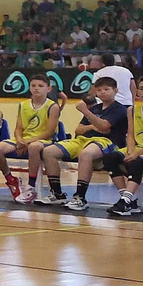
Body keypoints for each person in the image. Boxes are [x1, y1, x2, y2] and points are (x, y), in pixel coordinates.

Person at [41, 76, 127, 211]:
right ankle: (57, 194)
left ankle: (80, 197)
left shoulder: (120, 109)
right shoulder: (95, 108)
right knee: (49, 151)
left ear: (116, 90)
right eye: (99, 90)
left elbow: (104, 126)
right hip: (83, 140)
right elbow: (79, 130)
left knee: (86, 154)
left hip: (108, 141)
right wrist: (92, 127)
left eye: (106, 89)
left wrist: (86, 111)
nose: (103, 92)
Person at [107, 74, 143, 216]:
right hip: (137, 147)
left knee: (136, 163)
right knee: (110, 158)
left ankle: (124, 202)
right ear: (137, 92)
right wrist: (130, 150)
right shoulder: (132, 110)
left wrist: (136, 154)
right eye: (142, 88)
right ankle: (127, 200)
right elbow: (131, 133)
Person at [0, 73, 58, 204]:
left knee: (34, 147)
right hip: (24, 139)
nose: (36, 88)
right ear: (29, 88)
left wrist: (28, 142)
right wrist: (19, 139)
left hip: (43, 140)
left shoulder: (53, 106)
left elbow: (49, 132)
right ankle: (10, 179)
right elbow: (18, 127)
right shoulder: (23, 104)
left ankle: (31, 187)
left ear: (49, 88)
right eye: (33, 85)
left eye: (40, 86)